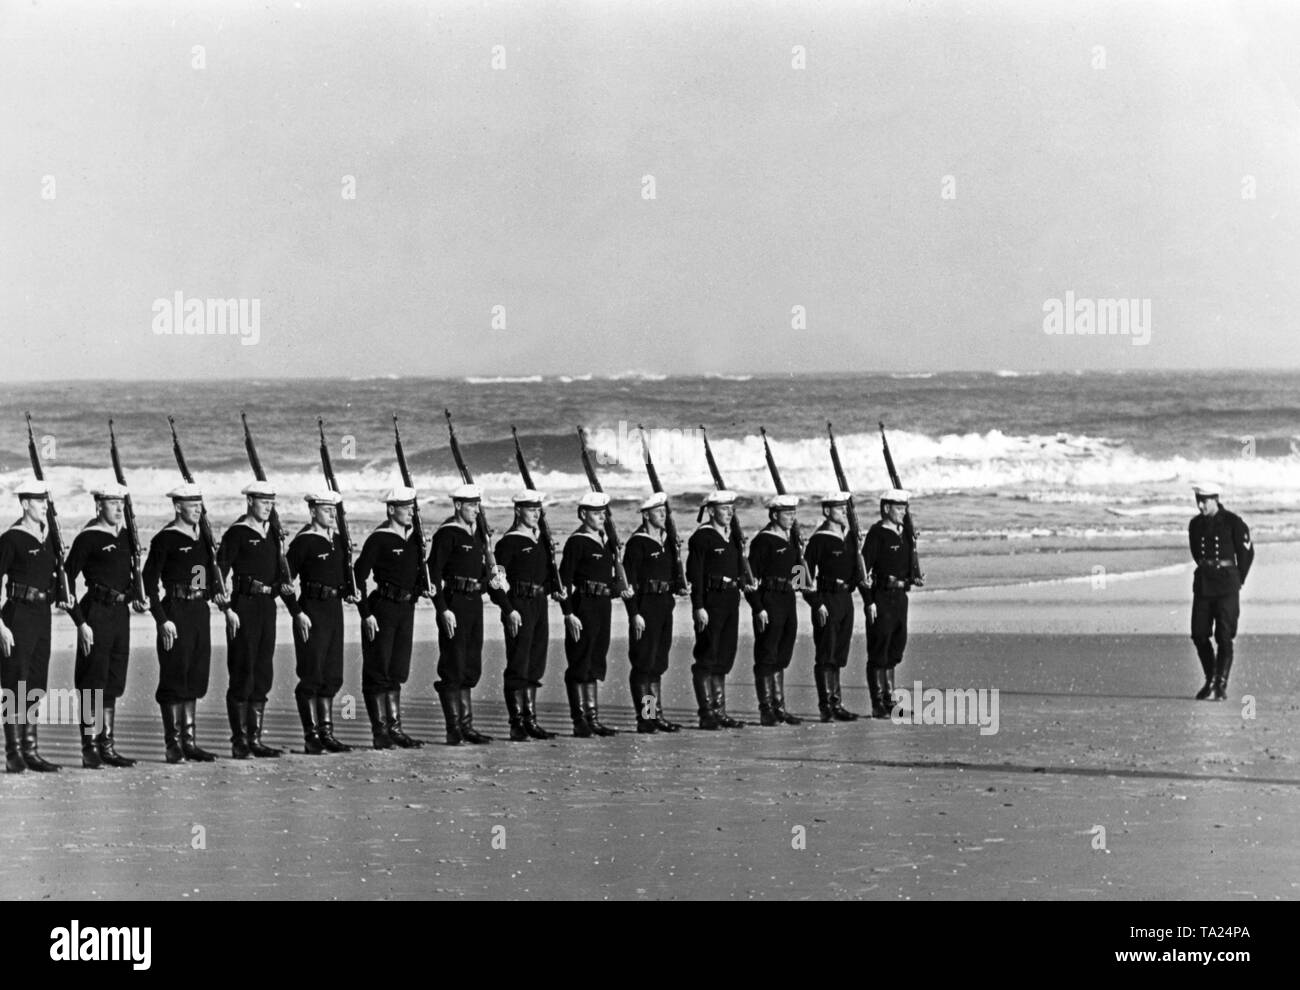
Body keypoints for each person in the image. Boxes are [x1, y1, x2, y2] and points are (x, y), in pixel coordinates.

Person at [143, 484, 223, 762]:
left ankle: (189, 741)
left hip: (199, 610)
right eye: (193, 505)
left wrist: (213, 594)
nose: (198, 509)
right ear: (178, 507)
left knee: (195, 674)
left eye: (200, 504)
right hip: (174, 612)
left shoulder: (202, 537)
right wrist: (161, 620)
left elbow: (200, 574)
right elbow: (148, 583)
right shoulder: (165, 539)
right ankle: (172, 744)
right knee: (174, 675)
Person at [65, 483, 141, 768]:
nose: (119, 508)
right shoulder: (88, 538)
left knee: (112, 681)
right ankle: (89, 747)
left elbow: (130, 577)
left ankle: (107, 745)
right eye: (112, 503)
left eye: (121, 503)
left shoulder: (126, 536)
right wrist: (80, 621)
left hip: (121, 614)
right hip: (95, 612)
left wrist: (136, 596)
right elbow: (65, 578)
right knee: (91, 683)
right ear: (99, 506)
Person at [217, 480, 289, 759]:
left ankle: (255, 739)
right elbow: (217, 567)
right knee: (242, 671)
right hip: (243, 605)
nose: (268, 506)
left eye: (271, 502)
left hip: (267, 606)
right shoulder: (237, 533)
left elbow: (280, 572)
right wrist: (217, 600)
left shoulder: (273, 534)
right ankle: (240, 741)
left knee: (262, 672)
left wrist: (293, 604)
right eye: (263, 501)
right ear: (250, 502)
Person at [353, 486, 425, 749]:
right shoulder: (379, 539)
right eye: (406, 509)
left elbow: (417, 575)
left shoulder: (415, 540)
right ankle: (380, 732)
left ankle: (395, 729)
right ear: (391, 509)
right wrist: (366, 613)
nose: (410, 513)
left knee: (397, 669)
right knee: (378, 670)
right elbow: (357, 576)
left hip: (406, 609)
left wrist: (421, 589)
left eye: (412, 509)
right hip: (382, 607)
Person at [0, 479, 63, 772]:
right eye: (39, 502)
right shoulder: (10, 539)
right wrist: (0, 626)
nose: (44, 507)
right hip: (17, 615)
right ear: (25, 504)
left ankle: (31, 750)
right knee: (15, 684)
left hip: (42, 615)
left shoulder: (49, 537)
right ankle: (13, 754)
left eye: (46, 502)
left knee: (36, 683)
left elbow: (54, 575)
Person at [285, 490, 353, 753]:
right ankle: (311, 736)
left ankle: (327, 734)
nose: (332, 515)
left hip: (334, 610)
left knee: (333, 674)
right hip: (311, 612)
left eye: (334, 511)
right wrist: (296, 612)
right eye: (327, 511)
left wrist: (350, 590)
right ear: (313, 511)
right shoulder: (303, 542)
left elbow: (343, 579)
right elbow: (285, 582)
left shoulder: (337, 541)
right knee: (311, 674)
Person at [429, 484, 496, 745]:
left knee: (470, 663)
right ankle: (453, 728)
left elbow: (485, 573)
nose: (476, 511)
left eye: (478, 505)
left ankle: (467, 726)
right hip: (454, 601)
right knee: (453, 664)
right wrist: (442, 609)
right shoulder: (447, 534)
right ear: (458, 506)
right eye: (471, 506)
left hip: (474, 602)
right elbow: (433, 573)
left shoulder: (477, 535)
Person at [490, 490, 559, 741]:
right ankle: (516, 723)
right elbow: (495, 581)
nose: (536, 514)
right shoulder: (508, 542)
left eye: (539, 510)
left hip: (540, 604)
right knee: (518, 664)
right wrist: (508, 610)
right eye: (531, 510)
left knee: (535, 663)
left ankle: (531, 720)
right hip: (519, 605)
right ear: (518, 510)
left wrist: (556, 589)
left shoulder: (541, 540)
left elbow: (546, 576)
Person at [559, 491, 623, 737]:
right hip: (583, 604)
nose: (601, 517)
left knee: (595, 660)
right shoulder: (577, 541)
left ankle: (592, 718)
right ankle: (579, 721)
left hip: (603, 605)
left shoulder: (605, 541)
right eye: (596, 513)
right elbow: (564, 580)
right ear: (584, 514)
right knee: (580, 660)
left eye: (604, 513)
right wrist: (568, 613)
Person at [686, 490, 748, 729]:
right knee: (707, 655)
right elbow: (696, 576)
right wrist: (698, 606)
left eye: (731, 508)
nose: (729, 512)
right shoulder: (702, 538)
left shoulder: (732, 536)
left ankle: (720, 711)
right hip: (711, 601)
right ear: (711, 511)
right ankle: (706, 713)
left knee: (724, 655)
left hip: (731, 600)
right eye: (724, 508)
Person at [1188, 482, 1254, 701]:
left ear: (1215, 499)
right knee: (1199, 633)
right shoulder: (1195, 525)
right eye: (1198, 501)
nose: (1200, 506)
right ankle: (1211, 679)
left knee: (1224, 636)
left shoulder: (1234, 523)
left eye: (1204, 501)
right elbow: (1197, 554)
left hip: (1227, 585)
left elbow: (1246, 554)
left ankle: (1221, 684)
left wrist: (1237, 579)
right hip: (1204, 585)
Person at [622, 492, 681, 733]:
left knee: (657, 664)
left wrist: (680, 585)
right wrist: (633, 613)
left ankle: (656, 715)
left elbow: (672, 574)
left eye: (664, 511)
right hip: (645, 607)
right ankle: (645, 718)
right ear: (646, 515)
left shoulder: (667, 540)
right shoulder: (637, 543)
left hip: (664, 605)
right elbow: (628, 584)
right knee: (644, 664)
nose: (663, 515)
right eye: (658, 512)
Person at [801, 492, 862, 720]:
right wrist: (816, 603)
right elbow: (801, 577)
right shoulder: (819, 539)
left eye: (845, 508)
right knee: (826, 653)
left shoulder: (850, 537)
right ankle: (826, 706)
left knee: (838, 653)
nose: (844, 512)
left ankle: (836, 704)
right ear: (827, 511)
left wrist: (857, 580)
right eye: (839, 508)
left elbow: (857, 569)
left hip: (845, 599)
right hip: (826, 600)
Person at [746, 494, 804, 726]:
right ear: (774, 515)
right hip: (769, 599)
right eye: (787, 514)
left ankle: (780, 707)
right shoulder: (763, 541)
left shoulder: (791, 539)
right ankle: (766, 708)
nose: (792, 518)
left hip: (788, 598)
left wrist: (801, 558)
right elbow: (750, 580)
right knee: (767, 655)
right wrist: (758, 607)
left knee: (782, 655)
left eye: (793, 514)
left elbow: (798, 576)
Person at [863, 488, 917, 718]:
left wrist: (914, 576)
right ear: (886, 508)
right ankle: (878, 704)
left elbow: (907, 563)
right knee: (879, 648)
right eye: (898, 508)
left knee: (896, 646)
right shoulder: (877, 534)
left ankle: (890, 700)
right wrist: (869, 601)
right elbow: (863, 571)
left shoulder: (905, 532)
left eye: (904, 508)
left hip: (900, 596)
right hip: (881, 596)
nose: (902, 512)